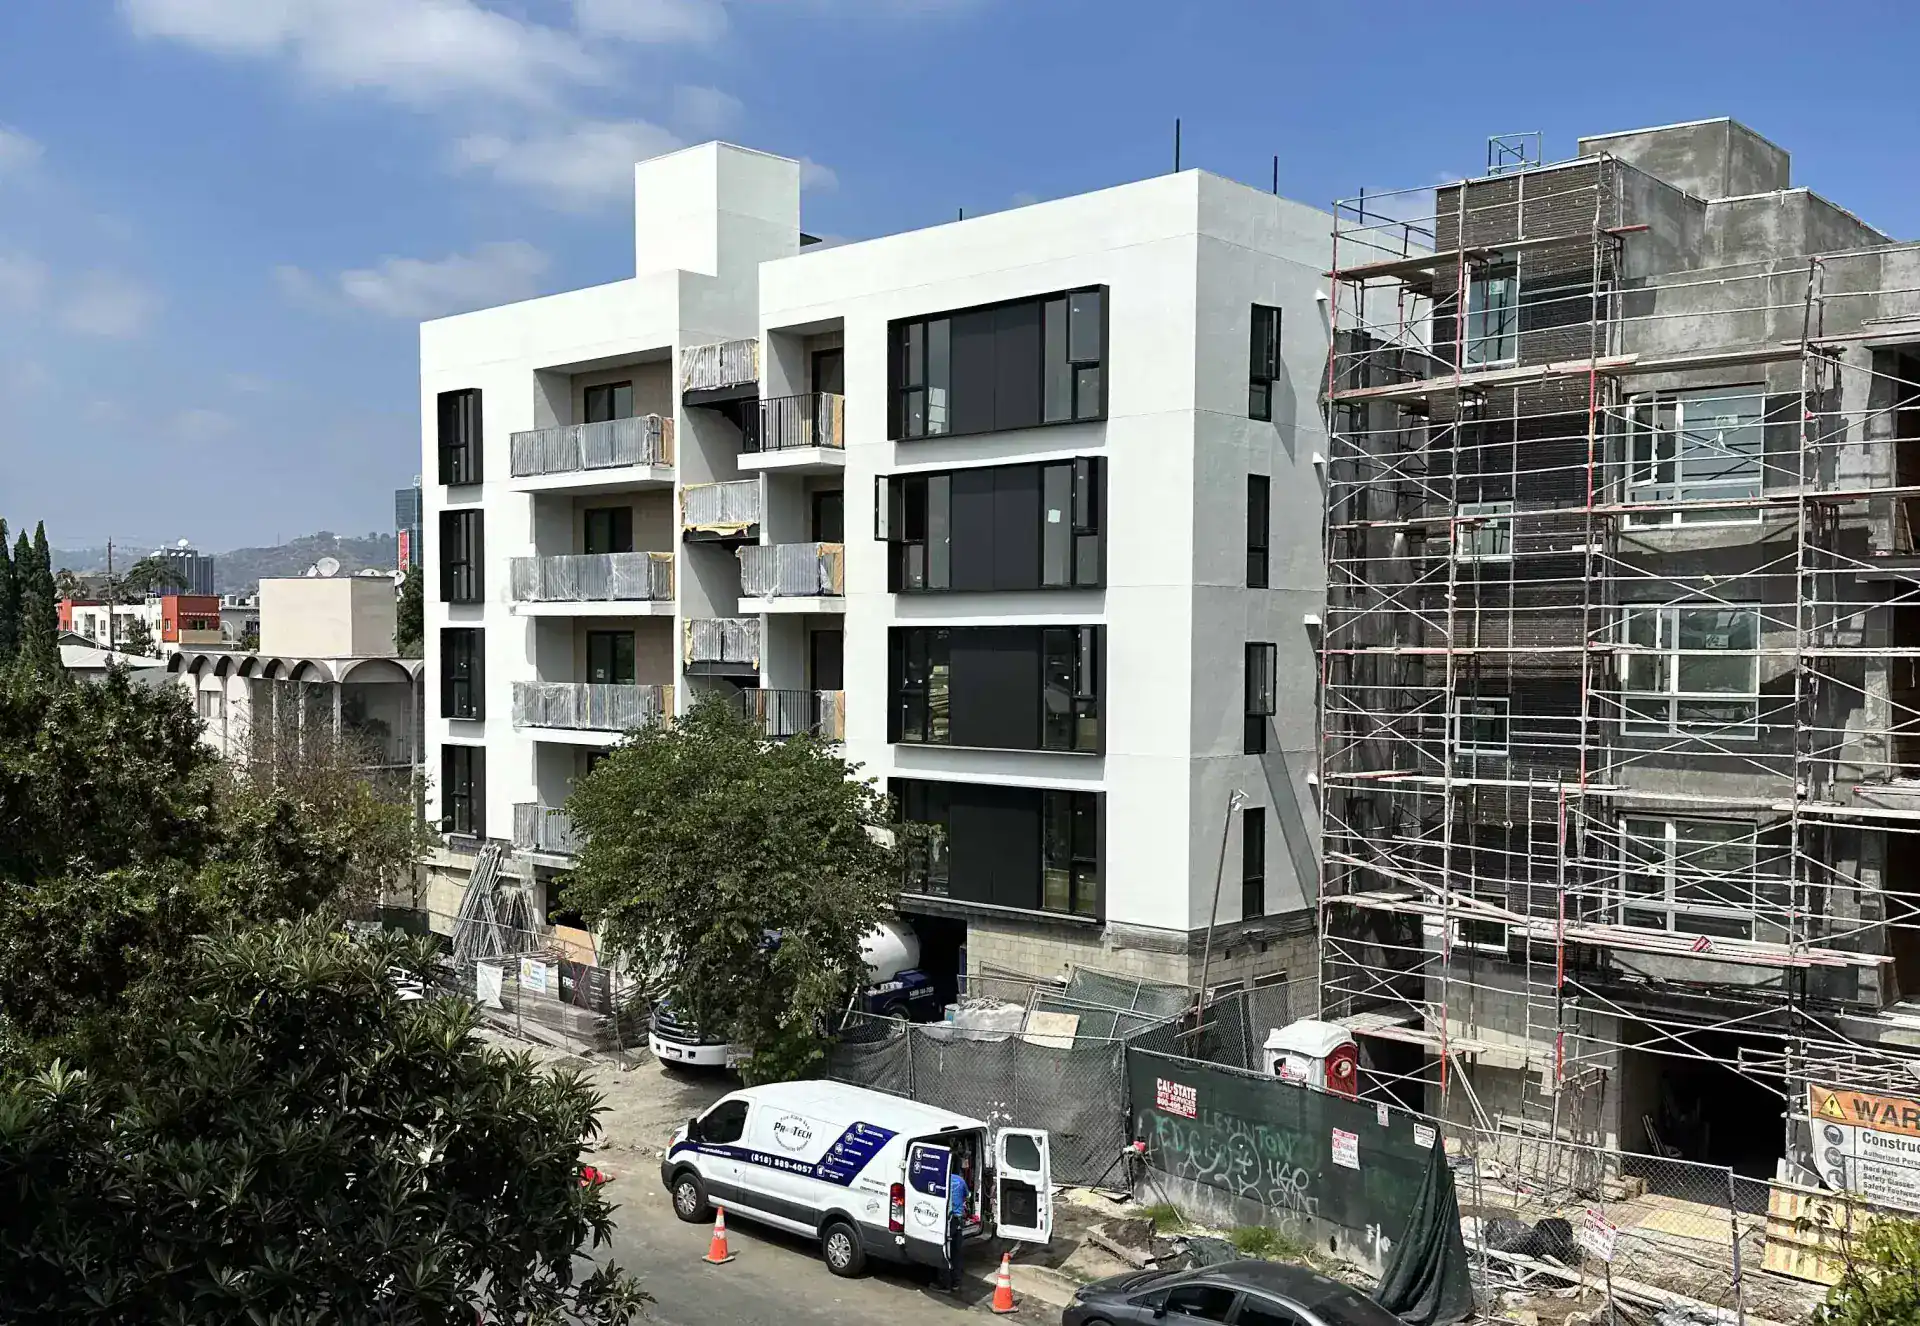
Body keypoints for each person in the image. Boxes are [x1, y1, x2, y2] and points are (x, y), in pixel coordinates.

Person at [944, 1160, 972, 1295]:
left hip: (947, 1220)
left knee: (945, 1251)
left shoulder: (942, 1179)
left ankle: (945, 1284)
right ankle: (956, 1283)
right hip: (958, 1220)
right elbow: (968, 1195)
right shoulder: (961, 1181)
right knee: (956, 1252)